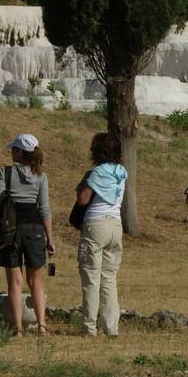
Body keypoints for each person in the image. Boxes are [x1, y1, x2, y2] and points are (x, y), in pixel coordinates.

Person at [0, 133, 54, 335]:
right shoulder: (41, 176)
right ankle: (42, 326)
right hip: (34, 229)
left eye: (14, 149)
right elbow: (44, 209)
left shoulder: (5, 173)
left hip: (10, 230)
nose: (11, 152)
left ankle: (18, 328)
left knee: (14, 281)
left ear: (19, 152)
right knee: (36, 280)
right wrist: (50, 239)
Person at [75, 132, 127, 338]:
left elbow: (83, 199)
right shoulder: (122, 171)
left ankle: (89, 327)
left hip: (96, 224)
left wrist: (84, 182)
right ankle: (111, 327)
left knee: (91, 277)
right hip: (116, 225)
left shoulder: (97, 172)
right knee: (109, 277)